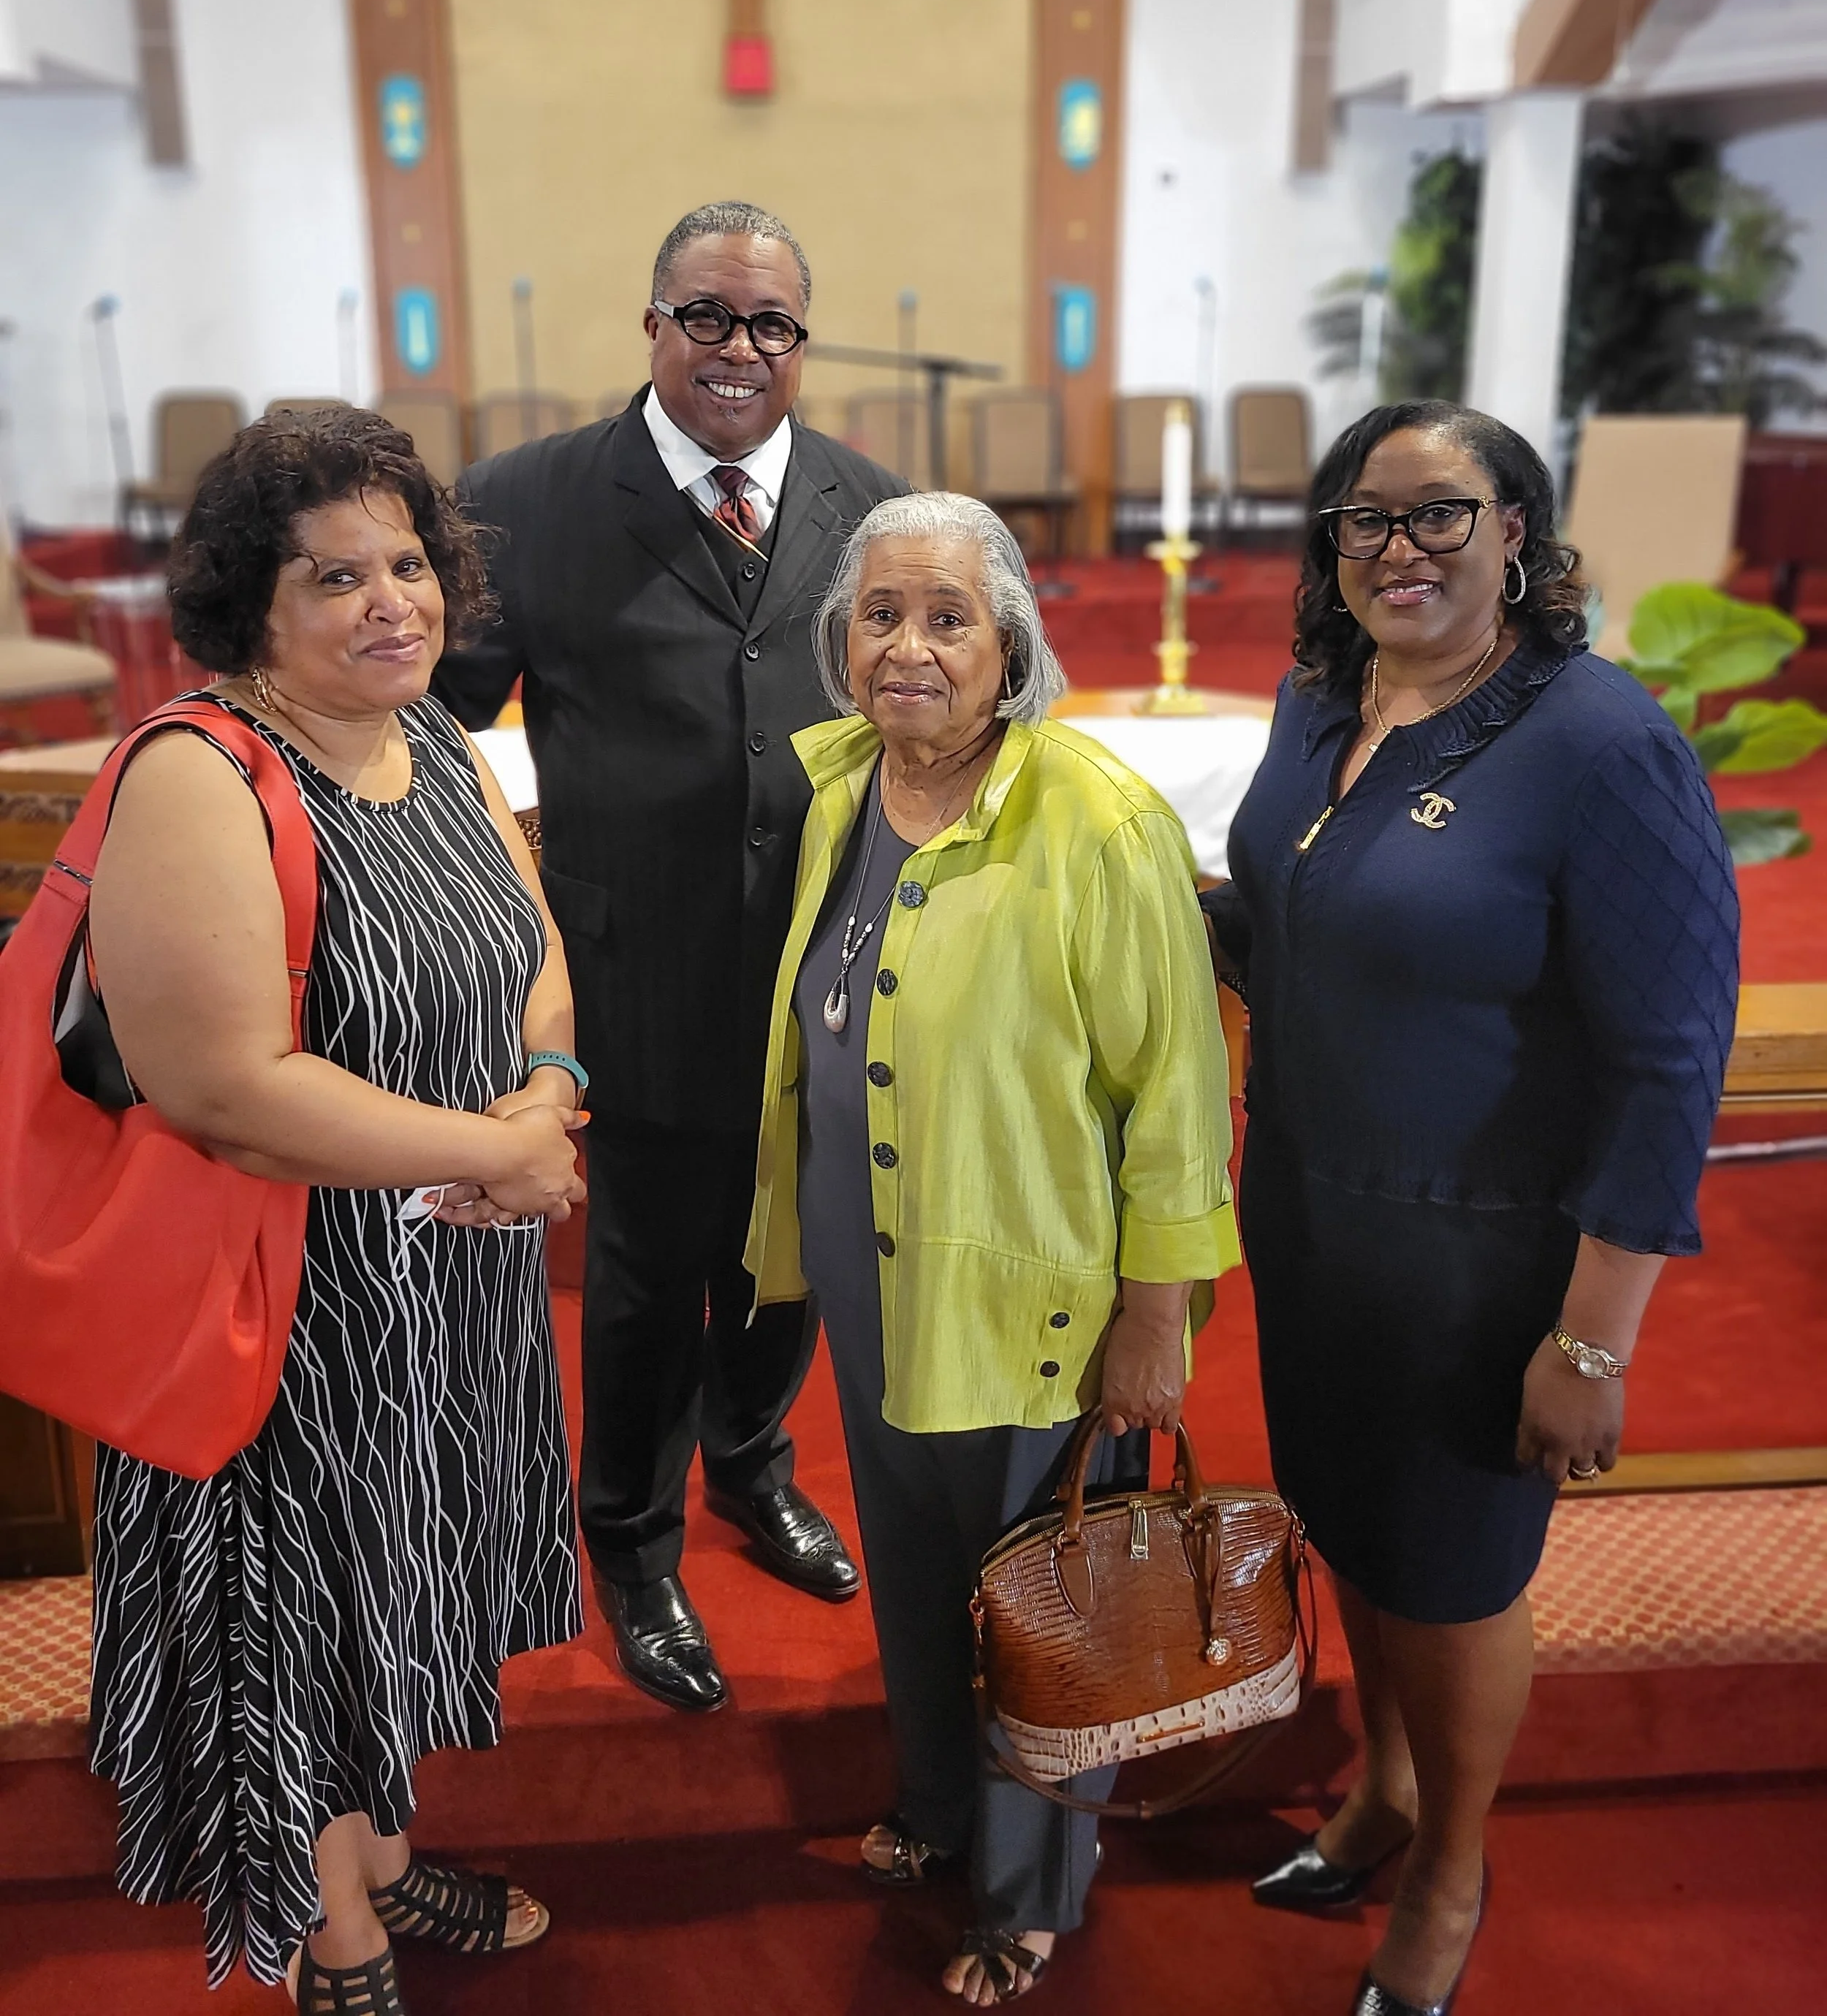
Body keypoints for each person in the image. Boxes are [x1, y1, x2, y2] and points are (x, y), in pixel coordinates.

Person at [1206, 401, 1738, 2016]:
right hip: (1308, 1221)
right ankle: (1381, 1790)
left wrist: (1589, 1344)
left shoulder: (1597, 742)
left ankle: (1449, 1871)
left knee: (1448, 1579)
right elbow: (1286, 922)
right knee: (1354, 1536)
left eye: (1438, 514)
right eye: (1363, 519)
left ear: (1518, 527)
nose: (1396, 549)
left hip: (1478, 1258)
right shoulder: (1318, 704)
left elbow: (1664, 1063)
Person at [84, 412, 589, 2008]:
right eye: (337, 576)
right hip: (277, 1299)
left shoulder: (427, 732)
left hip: (441, 1284)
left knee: (397, 1578)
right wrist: (491, 1150)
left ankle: (374, 1848)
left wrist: (550, 1089)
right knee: (295, 1607)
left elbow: (531, 939)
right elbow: (221, 1084)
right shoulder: (198, 770)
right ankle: (332, 1934)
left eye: (409, 563)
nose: (395, 601)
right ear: (251, 605)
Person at [744, 491, 1238, 2004]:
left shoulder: (1093, 818)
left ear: (1010, 641)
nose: (907, 647)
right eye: (879, 615)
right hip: (874, 1257)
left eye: (947, 617)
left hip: (1030, 1283)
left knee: (1038, 1596)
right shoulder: (841, 792)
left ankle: (1029, 1888)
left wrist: (1153, 1312)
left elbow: (1175, 1092)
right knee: (907, 1561)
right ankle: (939, 1800)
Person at [433, 202, 905, 1712]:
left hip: (832, 970)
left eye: (769, 324)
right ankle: (630, 1541)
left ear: (799, 345)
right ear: (651, 324)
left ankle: (749, 1468)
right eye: (706, 316)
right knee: (643, 1279)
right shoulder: (523, 503)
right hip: (635, 965)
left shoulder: (872, 507)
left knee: (794, 1260)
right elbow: (435, 730)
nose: (737, 349)